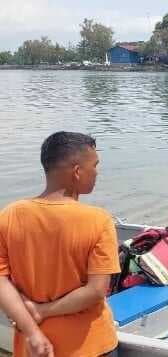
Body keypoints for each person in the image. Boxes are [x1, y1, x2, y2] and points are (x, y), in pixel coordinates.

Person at [0, 132, 120, 357]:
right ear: (77, 172)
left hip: (33, 345)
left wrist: (32, 329)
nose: (97, 172)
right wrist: (42, 310)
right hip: (90, 345)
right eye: (94, 165)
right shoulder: (98, 220)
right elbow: (95, 291)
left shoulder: (9, 215)